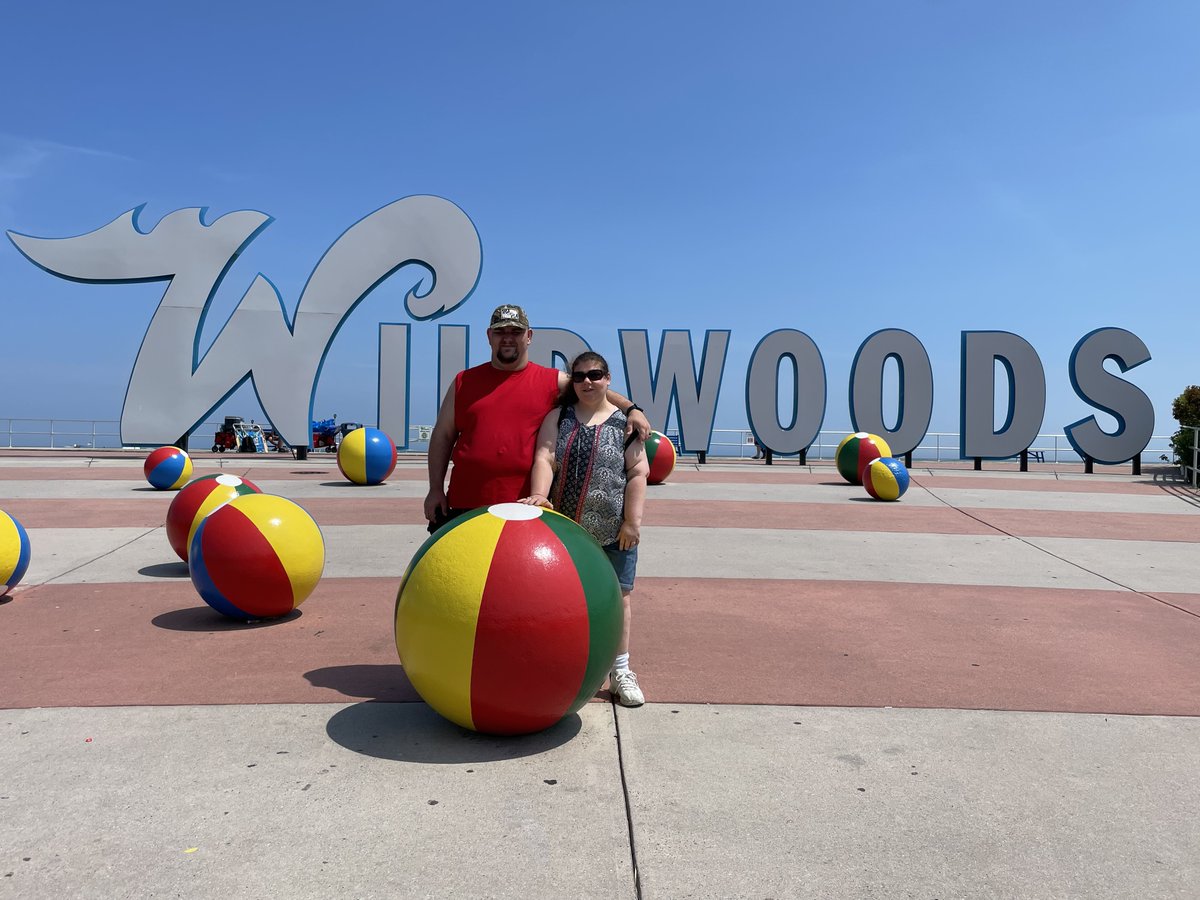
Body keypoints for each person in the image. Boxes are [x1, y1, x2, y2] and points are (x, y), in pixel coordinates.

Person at [424, 304, 650, 533]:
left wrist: (632, 409)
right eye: (501, 332)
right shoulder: (464, 382)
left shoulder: (552, 381)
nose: (508, 339)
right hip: (465, 505)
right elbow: (442, 436)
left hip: (524, 508)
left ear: (529, 336)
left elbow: (593, 387)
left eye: (516, 332)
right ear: (489, 336)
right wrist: (435, 489)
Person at [518, 351, 649, 708]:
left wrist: (632, 523)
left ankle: (620, 672)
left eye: (594, 375)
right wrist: (540, 496)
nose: (587, 382)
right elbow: (545, 456)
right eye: (578, 376)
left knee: (618, 599)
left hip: (613, 532)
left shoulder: (625, 423)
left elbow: (638, 473)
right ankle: (560, 668)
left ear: (608, 378)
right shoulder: (558, 418)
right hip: (565, 533)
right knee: (560, 602)